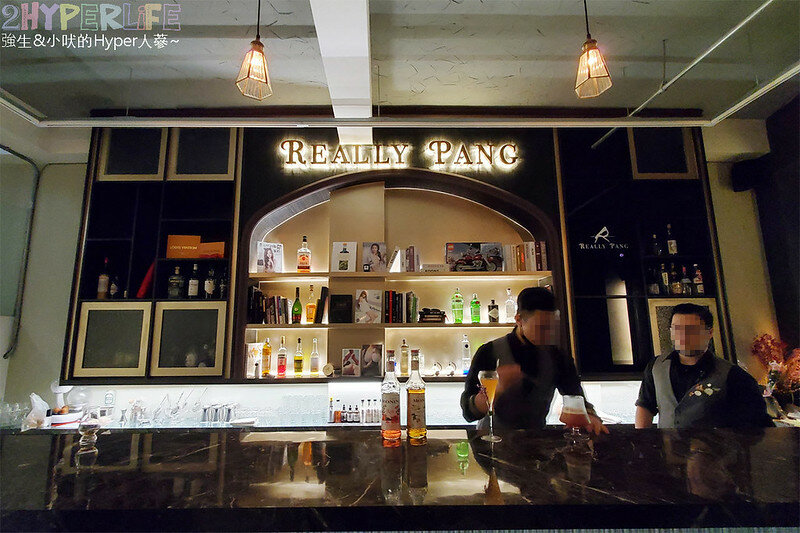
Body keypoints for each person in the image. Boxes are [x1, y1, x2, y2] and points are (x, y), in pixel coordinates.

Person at [460, 287, 607, 434]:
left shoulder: (557, 357)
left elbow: (575, 397)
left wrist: (590, 416)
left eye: (552, 327)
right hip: (490, 440)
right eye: (542, 328)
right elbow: (468, 413)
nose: (548, 334)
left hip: (537, 441)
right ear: (519, 320)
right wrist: (496, 389)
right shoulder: (489, 352)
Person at [635, 303, 773, 429]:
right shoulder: (656, 367)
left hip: (715, 448)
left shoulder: (733, 375)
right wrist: (642, 442)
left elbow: (756, 424)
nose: (683, 335)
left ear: (710, 332)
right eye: (677, 329)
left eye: (692, 330)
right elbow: (645, 406)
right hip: (666, 447)